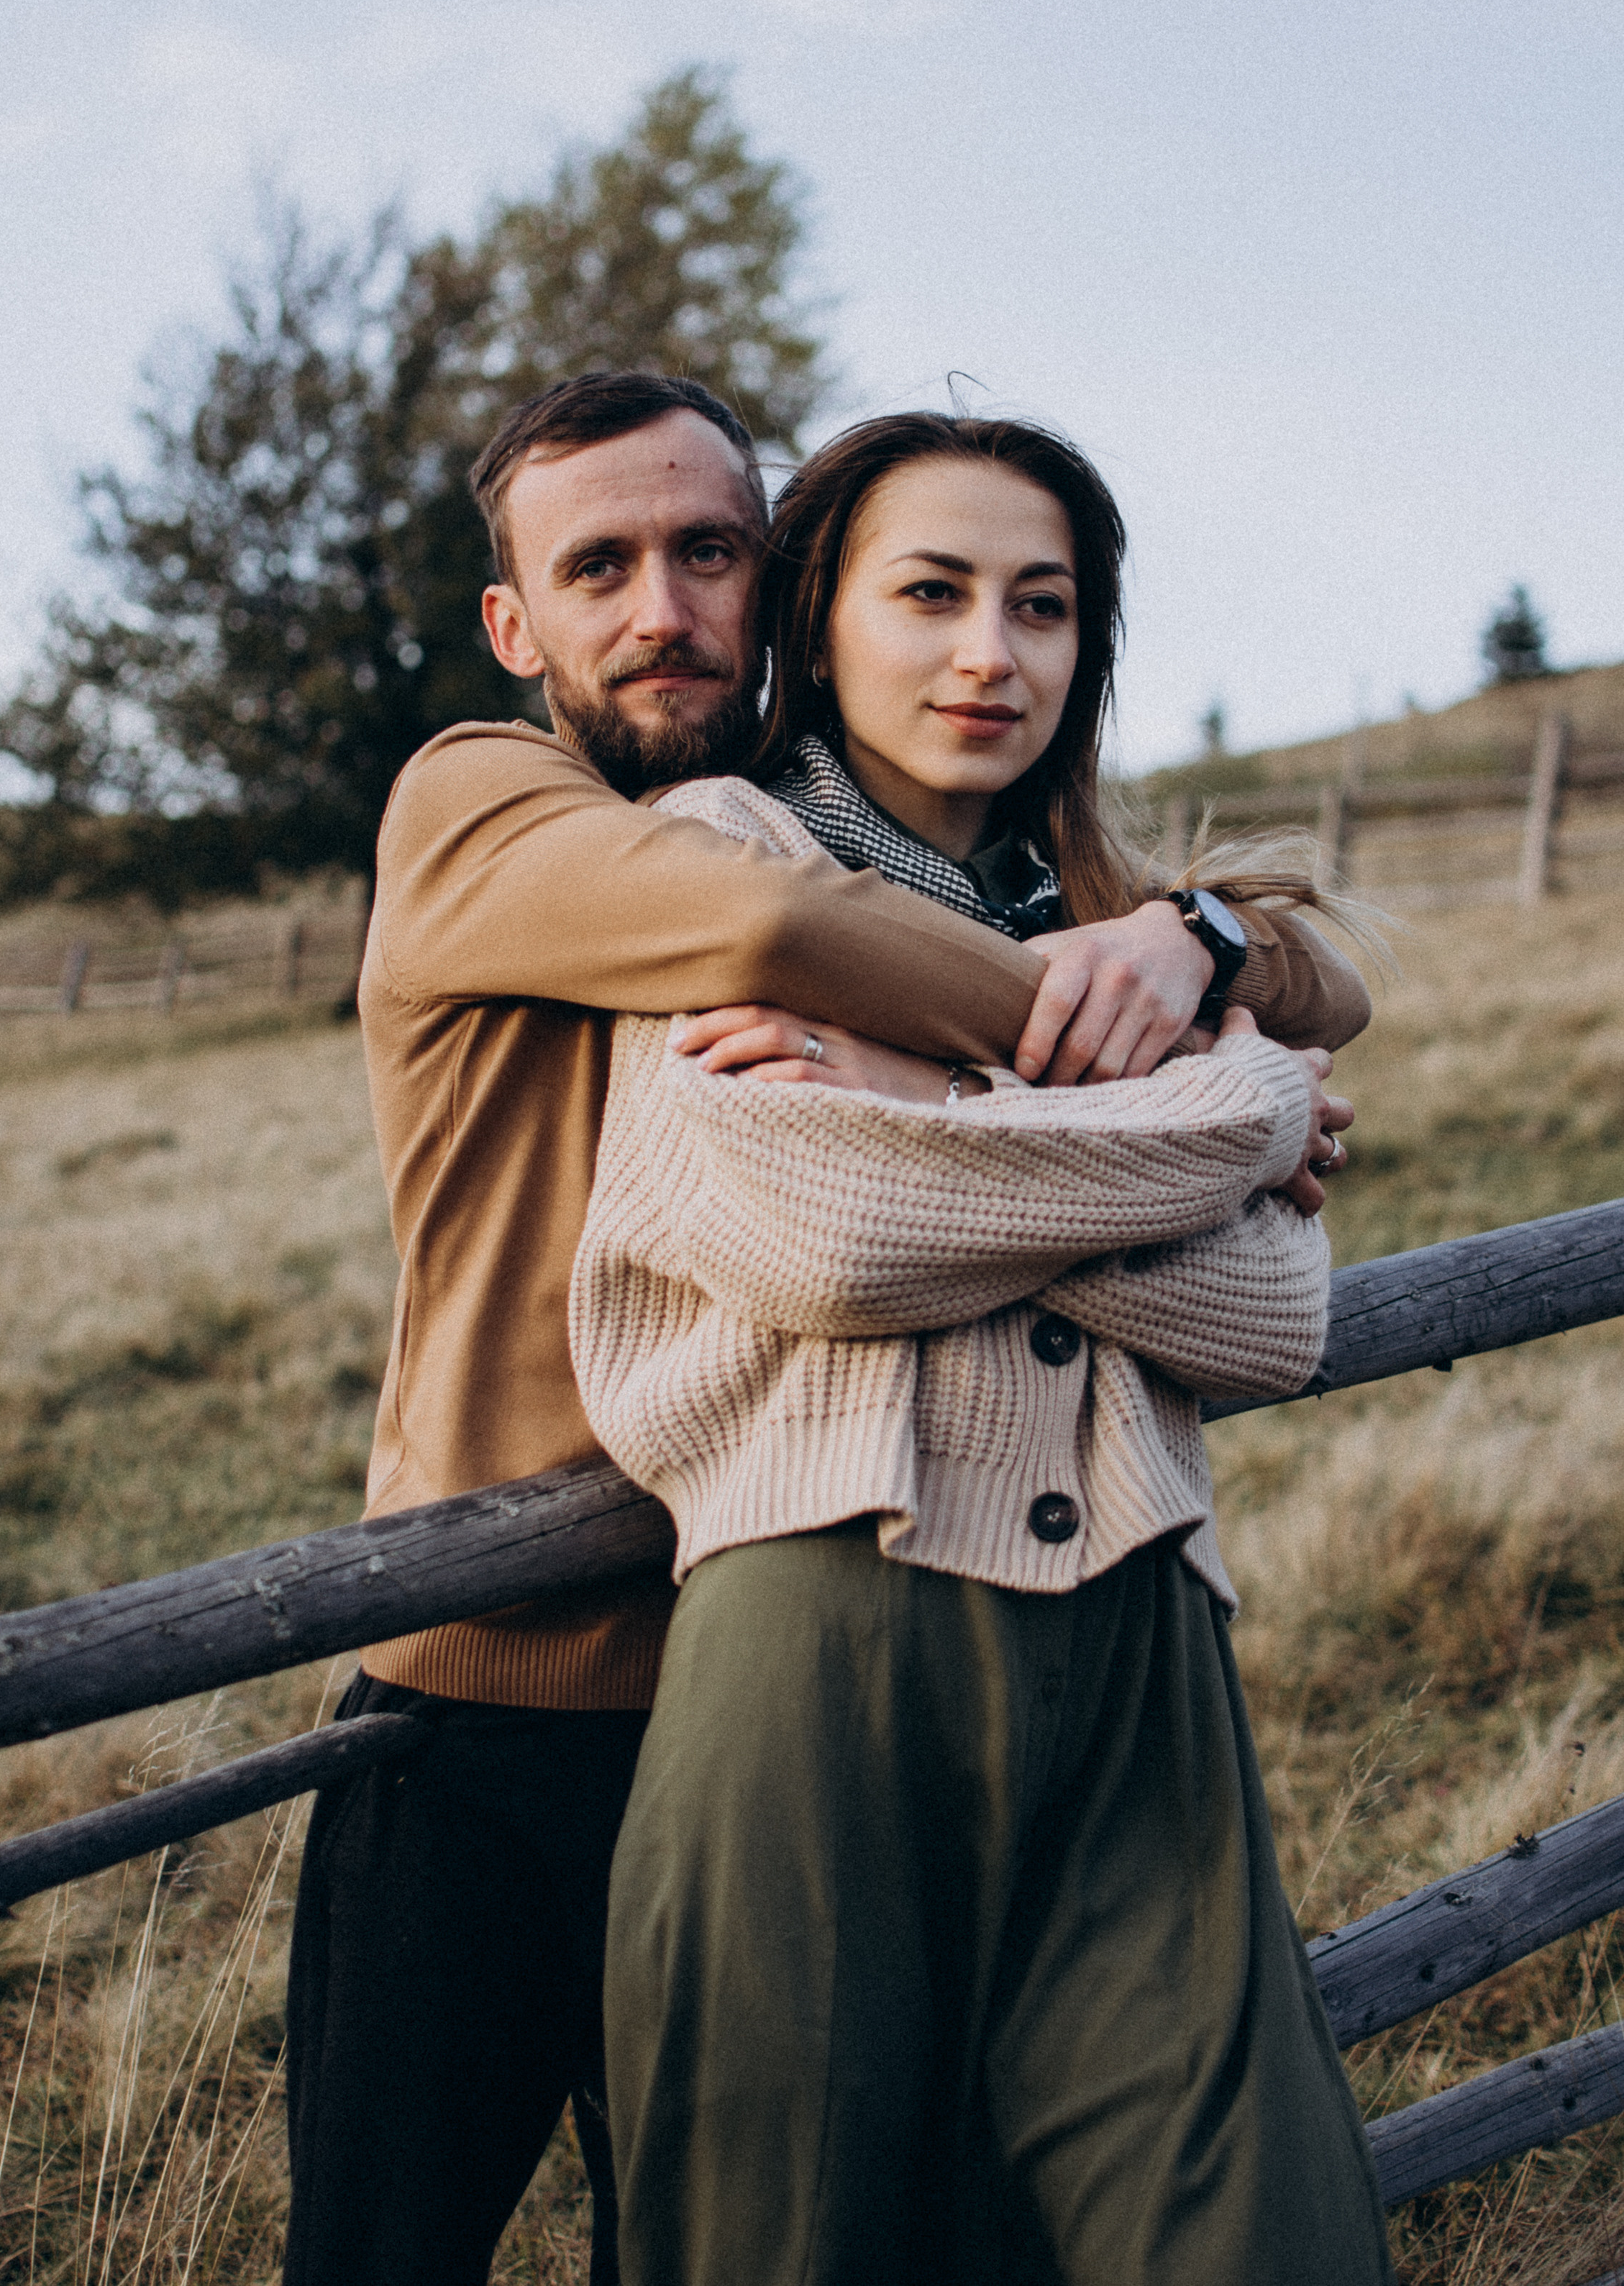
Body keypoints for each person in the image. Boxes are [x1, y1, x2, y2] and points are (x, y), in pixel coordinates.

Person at [280, 374, 1372, 2286]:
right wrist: (1184, 1081)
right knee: (397, 2241)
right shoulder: (511, 806)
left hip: (762, 1627)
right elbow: (783, 973)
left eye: (709, 550)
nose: (663, 608)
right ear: (514, 623)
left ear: (772, 575)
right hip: (505, 1674)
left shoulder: (982, 871)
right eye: (598, 568)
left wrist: (1204, 948)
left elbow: (1288, 1216)